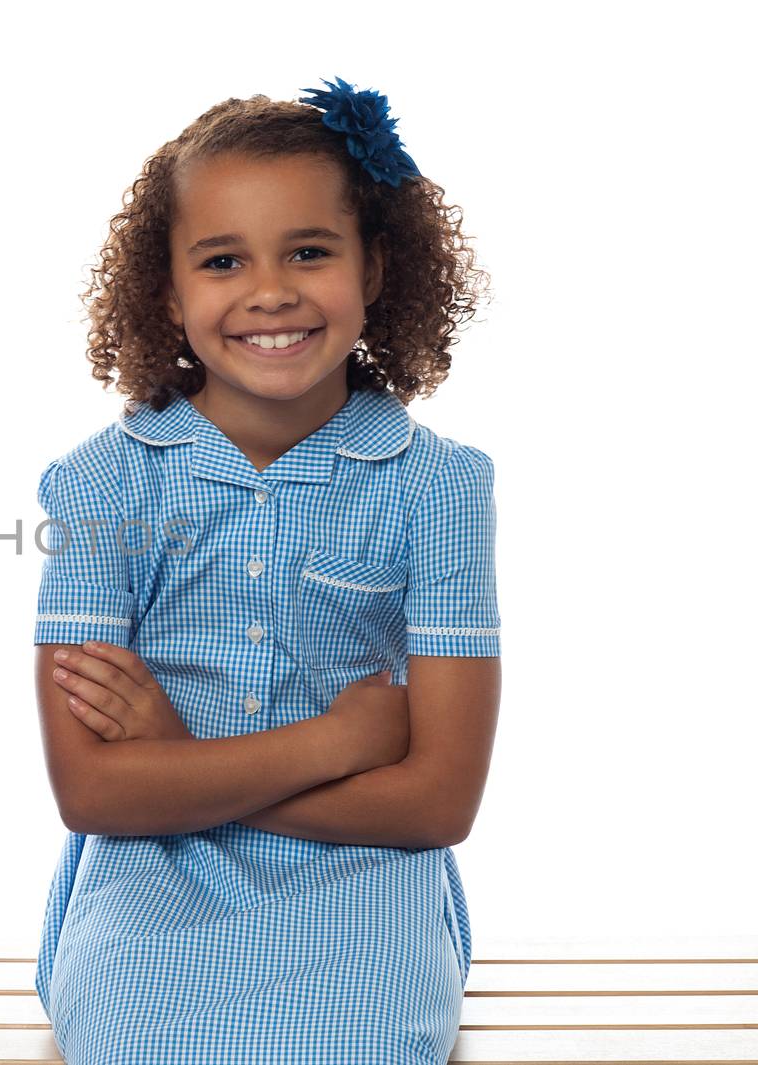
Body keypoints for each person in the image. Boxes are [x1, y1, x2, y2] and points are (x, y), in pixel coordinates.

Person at [31, 77, 501, 1063]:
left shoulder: (438, 487)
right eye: (221, 260)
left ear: (373, 269)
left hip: (367, 874)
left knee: (364, 1044)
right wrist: (338, 740)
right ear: (166, 290)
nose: (269, 290)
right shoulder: (98, 487)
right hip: (148, 879)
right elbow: (93, 794)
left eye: (309, 251)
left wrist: (172, 756)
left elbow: (437, 803)